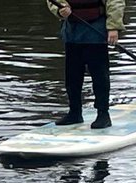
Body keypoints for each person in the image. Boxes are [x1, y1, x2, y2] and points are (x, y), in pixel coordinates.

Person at [46, 0, 124, 129]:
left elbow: (115, 2)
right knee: (72, 76)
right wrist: (60, 9)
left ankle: (103, 114)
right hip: (72, 32)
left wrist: (113, 27)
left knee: (99, 76)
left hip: (96, 30)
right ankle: (75, 113)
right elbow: (54, 1)